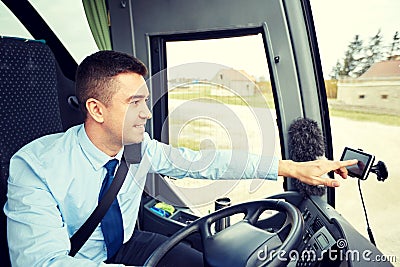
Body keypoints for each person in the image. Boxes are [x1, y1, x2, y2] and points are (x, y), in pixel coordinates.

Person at [4, 50, 357, 267]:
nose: (146, 114)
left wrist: (291, 167)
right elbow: (43, 263)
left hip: (128, 245)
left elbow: (204, 162)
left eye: (145, 101)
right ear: (96, 109)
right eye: (134, 103)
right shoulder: (36, 167)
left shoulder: (136, 148)